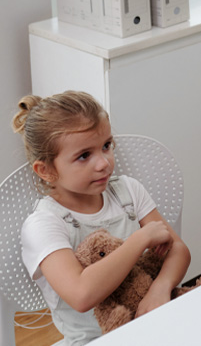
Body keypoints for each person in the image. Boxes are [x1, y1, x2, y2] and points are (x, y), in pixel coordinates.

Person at [14, 91, 190, 346]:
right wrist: (140, 239)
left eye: (107, 146)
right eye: (84, 155)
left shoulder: (128, 190)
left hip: (151, 324)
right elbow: (81, 295)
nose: (104, 163)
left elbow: (179, 250)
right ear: (47, 170)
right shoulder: (43, 224)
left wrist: (160, 288)